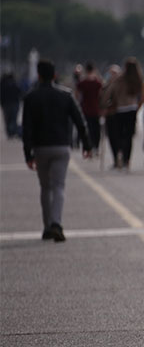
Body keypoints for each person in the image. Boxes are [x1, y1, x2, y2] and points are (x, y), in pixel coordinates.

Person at [22, 59, 92, 242]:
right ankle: (56, 223)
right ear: (55, 75)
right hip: (61, 146)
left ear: (38, 76)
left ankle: (47, 227)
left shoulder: (30, 97)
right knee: (59, 186)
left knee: (45, 187)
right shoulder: (66, 95)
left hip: (40, 147)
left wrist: (27, 153)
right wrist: (87, 144)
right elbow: (80, 121)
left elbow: (27, 128)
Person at [101, 57, 142, 170]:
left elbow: (109, 92)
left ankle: (120, 155)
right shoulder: (137, 79)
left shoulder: (120, 79)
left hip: (120, 109)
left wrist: (104, 105)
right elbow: (141, 95)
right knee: (129, 136)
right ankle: (127, 160)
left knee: (120, 135)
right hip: (132, 109)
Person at [75, 62, 103, 156]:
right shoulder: (97, 82)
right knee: (96, 129)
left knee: (88, 129)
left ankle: (89, 147)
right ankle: (96, 147)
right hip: (96, 108)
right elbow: (102, 94)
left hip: (85, 108)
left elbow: (77, 94)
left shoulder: (83, 82)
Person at [100, 65, 122, 168]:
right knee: (112, 138)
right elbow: (103, 98)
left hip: (117, 114)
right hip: (110, 114)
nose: (112, 75)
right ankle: (116, 158)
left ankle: (119, 157)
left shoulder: (120, 85)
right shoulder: (107, 85)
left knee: (117, 137)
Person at [1, 72, 22, 138]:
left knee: (7, 119)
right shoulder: (15, 84)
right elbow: (20, 93)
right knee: (13, 119)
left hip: (6, 104)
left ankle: (10, 132)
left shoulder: (3, 85)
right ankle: (12, 132)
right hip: (14, 104)